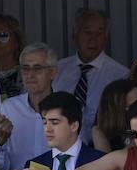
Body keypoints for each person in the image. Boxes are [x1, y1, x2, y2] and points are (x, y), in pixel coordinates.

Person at [54, 8, 129, 136]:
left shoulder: (120, 75)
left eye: (99, 33)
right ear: (75, 35)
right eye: (87, 32)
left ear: (106, 38)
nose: (92, 39)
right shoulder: (57, 70)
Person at [0, 43, 57, 170]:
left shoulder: (67, 107)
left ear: (52, 72)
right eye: (25, 68)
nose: (30, 75)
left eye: (37, 68)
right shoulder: (9, 109)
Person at [89, 78, 137, 153]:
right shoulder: (100, 130)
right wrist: (136, 143)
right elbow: (106, 162)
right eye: (135, 105)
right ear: (119, 109)